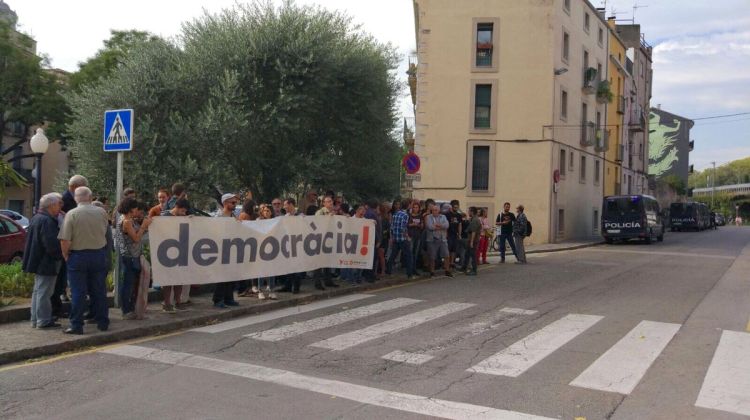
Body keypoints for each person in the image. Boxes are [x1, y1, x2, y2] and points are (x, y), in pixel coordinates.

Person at [58, 187, 111, 334]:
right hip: (98, 254)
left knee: (78, 292)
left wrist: (66, 255)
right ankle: (103, 322)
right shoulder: (102, 212)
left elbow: (65, 239)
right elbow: (105, 230)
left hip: (78, 256)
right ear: (90, 197)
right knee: (99, 290)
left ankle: (77, 325)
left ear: (76, 198)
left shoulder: (72, 214)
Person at [23, 193, 64, 329]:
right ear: (51, 205)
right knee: (45, 292)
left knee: (38, 291)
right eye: (59, 204)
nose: (60, 207)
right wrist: (61, 254)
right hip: (47, 262)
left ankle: (36, 319)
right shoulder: (47, 221)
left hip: (38, 260)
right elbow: (51, 244)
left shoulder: (37, 218)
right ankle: (43, 320)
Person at [114, 198, 152, 319]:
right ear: (131, 209)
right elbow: (135, 238)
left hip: (131, 255)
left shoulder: (127, 219)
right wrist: (144, 227)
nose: (137, 210)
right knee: (128, 284)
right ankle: (126, 310)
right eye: (135, 208)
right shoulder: (126, 222)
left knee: (130, 283)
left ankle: (130, 308)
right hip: (130, 256)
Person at [158, 198, 189, 311]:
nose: (183, 213)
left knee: (179, 279)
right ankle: (167, 303)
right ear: (176, 207)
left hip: (180, 251)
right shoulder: (165, 216)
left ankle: (178, 301)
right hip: (168, 252)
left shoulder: (183, 217)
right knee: (168, 279)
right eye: (182, 210)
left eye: (184, 211)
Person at [213, 193, 241, 308]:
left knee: (231, 275)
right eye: (232, 202)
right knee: (222, 276)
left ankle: (229, 298)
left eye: (235, 203)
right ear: (225, 203)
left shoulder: (233, 217)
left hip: (232, 250)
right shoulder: (218, 217)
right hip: (221, 250)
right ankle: (218, 299)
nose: (235, 205)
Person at [387, 199, 417, 279]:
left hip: (396, 238)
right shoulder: (405, 215)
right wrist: (407, 237)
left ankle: (388, 271)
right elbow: (403, 227)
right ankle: (409, 274)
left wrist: (392, 237)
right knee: (409, 256)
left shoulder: (396, 213)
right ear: (408, 205)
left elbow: (392, 227)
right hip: (402, 238)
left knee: (393, 255)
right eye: (411, 204)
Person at [314, 196, 339, 289]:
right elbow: (317, 224)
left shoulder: (335, 212)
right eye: (327, 201)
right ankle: (318, 283)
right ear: (323, 203)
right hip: (320, 240)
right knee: (319, 263)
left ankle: (328, 281)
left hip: (330, 240)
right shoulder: (320, 212)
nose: (330, 203)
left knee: (328, 261)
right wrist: (329, 217)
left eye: (331, 201)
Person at [425, 204, 453, 277]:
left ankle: (447, 270)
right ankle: (432, 272)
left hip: (442, 239)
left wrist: (438, 225)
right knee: (432, 256)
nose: (434, 211)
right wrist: (441, 226)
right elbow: (430, 226)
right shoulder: (428, 217)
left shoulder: (443, 217)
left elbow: (447, 225)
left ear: (439, 210)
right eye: (433, 210)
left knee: (446, 255)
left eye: (436, 210)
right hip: (432, 240)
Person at [256, 204, 277, 300]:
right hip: (261, 249)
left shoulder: (275, 221)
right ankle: (260, 291)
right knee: (261, 271)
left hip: (272, 248)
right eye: (264, 210)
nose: (266, 212)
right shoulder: (258, 221)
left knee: (272, 270)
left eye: (268, 210)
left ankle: (271, 290)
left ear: (271, 212)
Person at [461, 207, 481, 276]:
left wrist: (472, 242)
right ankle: (464, 267)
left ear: (472, 212)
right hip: (470, 240)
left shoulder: (475, 220)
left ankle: (474, 270)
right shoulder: (472, 219)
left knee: (473, 255)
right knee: (467, 254)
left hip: (473, 241)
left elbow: (473, 232)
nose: (468, 213)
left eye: (469, 211)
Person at [407, 201, 424, 276]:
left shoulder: (420, 216)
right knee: (410, 253)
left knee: (415, 254)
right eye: (414, 207)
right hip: (411, 236)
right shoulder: (409, 215)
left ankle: (414, 269)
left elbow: (422, 225)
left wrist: (420, 225)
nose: (415, 209)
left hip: (418, 236)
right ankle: (409, 270)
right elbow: (406, 225)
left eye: (417, 207)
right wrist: (412, 224)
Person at [447, 201, 463, 269]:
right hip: (449, 234)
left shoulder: (459, 215)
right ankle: (447, 262)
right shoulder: (448, 215)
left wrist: (459, 234)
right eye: (455, 207)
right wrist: (446, 234)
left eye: (457, 207)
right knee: (448, 249)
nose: (456, 208)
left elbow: (459, 225)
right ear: (452, 207)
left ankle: (452, 262)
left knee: (454, 249)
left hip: (455, 234)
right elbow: (446, 225)